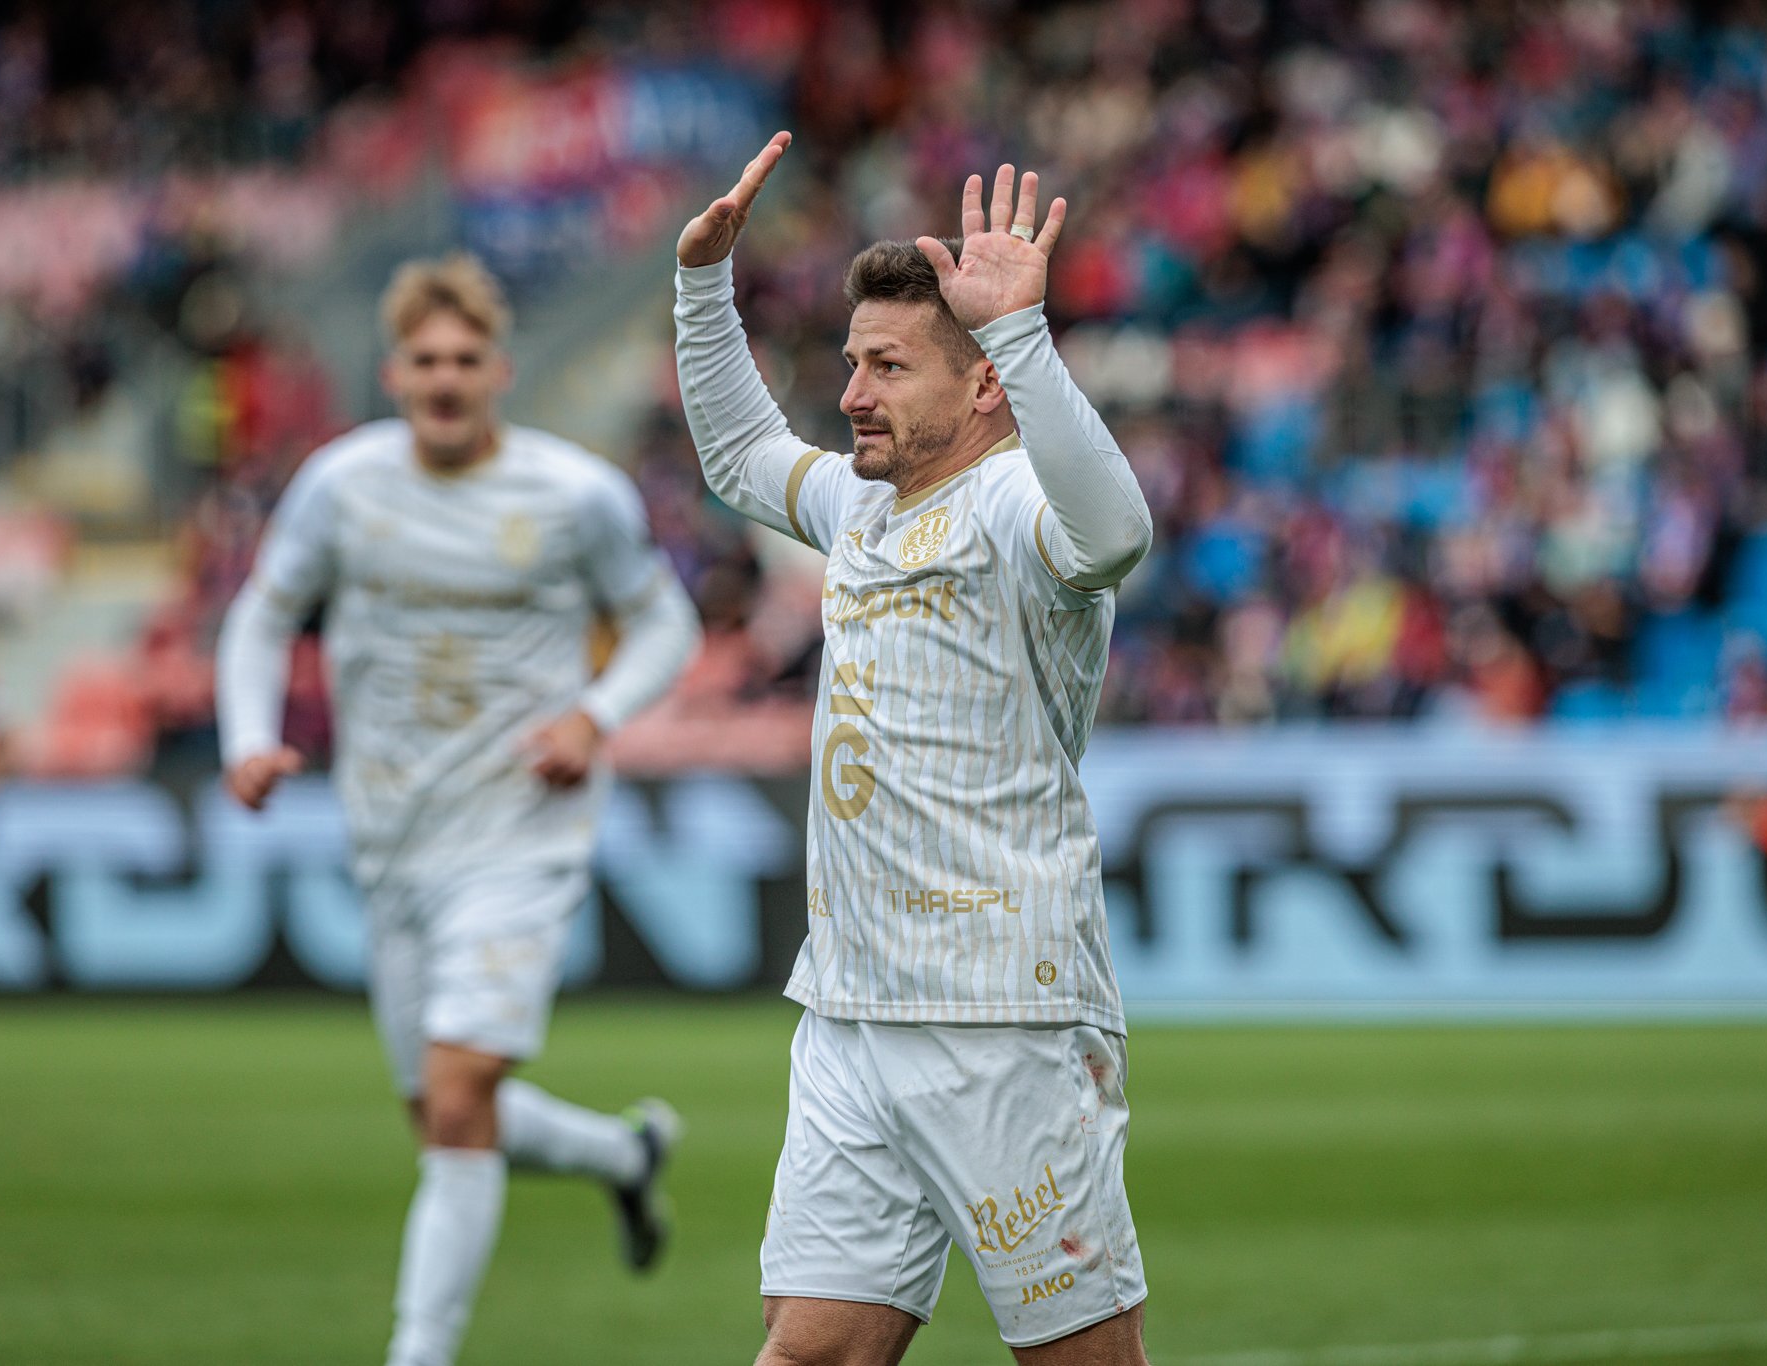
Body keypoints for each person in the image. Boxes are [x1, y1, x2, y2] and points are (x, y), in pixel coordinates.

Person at [675, 134, 1156, 1364]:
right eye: (852, 362)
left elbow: (1115, 533)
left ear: (981, 384)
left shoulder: (1017, 507)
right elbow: (738, 456)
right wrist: (702, 284)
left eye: (887, 366)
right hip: (847, 1007)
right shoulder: (859, 504)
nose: (852, 393)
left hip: (1000, 1012)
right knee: (812, 1352)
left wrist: (1023, 334)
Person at [216, 252, 702, 1366]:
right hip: (391, 834)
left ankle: (419, 1352)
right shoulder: (341, 486)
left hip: (522, 830)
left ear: (500, 371)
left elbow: (664, 623)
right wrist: (246, 740)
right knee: (444, 1113)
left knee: (454, 1094)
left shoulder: (573, 495)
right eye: (425, 360)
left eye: (465, 359)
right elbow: (263, 614)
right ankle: (622, 1156)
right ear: (392, 372)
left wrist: (592, 716)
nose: (444, 379)